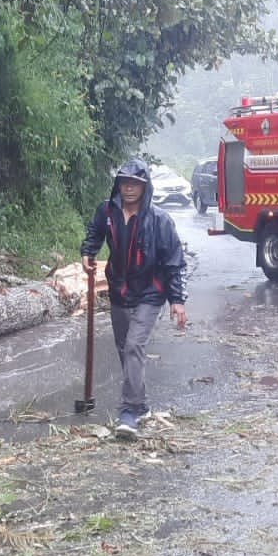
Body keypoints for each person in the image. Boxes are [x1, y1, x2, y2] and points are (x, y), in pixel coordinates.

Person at [80, 157, 189, 440]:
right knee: (124, 348)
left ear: (145, 187)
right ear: (118, 185)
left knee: (133, 346)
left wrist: (177, 300)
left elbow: (174, 262)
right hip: (119, 288)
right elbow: (94, 234)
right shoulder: (106, 211)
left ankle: (129, 411)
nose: (129, 189)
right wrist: (87, 253)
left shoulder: (160, 220)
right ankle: (139, 403)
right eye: (125, 183)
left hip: (151, 292)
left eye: (135, 184)